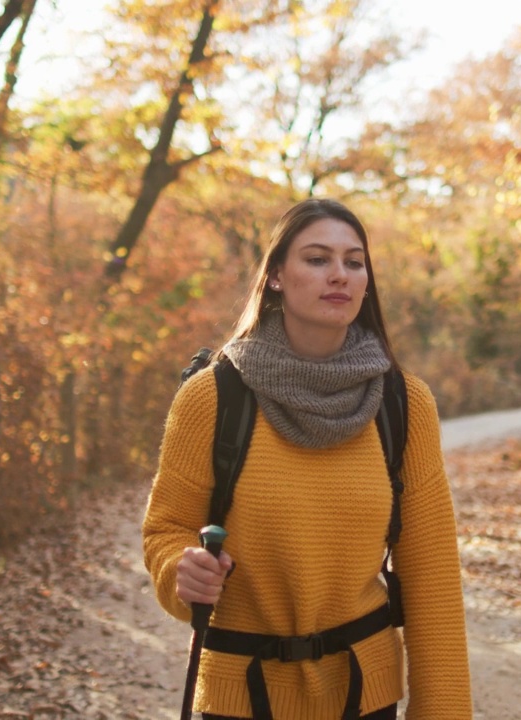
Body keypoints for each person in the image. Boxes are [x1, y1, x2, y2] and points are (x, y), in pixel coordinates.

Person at [142, 198, 472, 719]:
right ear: (276, 275)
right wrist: (179, 571)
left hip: (363, 693)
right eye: (317, 259)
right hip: (240, 694)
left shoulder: (404, 403)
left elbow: (431, 576)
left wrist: (443, 712)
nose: (338, 275)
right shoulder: (213, 397)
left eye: (353, 262)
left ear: (366, 282)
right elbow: (167, 528)